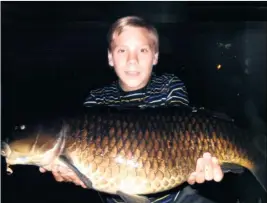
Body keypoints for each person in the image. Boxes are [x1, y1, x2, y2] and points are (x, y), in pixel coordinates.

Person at [40, 16, 223, 203]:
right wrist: (68, 168)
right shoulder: (97, 100)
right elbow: (82, 160)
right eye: (122, 50)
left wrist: (198, 162)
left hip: (176, 197)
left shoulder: (169, 87)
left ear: (155, 57)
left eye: (142, 50)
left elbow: (182, 132)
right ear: (110, 57)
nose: (132, 60)